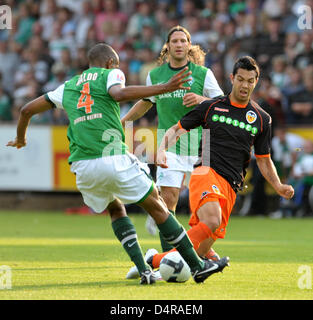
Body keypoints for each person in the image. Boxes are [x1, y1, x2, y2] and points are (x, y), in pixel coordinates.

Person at [7, 43, 229, 285]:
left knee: (115, 207)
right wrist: (165, 87)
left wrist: (20, 138)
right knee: (157, 204)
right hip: (111, 156)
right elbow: (118, 94)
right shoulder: (111, 73)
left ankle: (143, 269)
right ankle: (197, 266)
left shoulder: (68, 86)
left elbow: (27, 110)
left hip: (82, 166)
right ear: (111, 62)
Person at [148, 56, 294, 270]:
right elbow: (177, 129)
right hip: (206, 172)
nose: (245, 85)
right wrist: (161, 150)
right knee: (212, 221)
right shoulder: (211, 106)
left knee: (200, 250)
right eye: (241, 79)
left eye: (250, 81)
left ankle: (154, 260)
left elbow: (264, 160)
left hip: (231, 186)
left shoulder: (262, 119)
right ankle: (171, 262)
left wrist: (279, 186)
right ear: (232, 78)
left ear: (256, 82)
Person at [121, 26, 223, 259]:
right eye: (174, 41)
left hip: (200, 147)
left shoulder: (202, 74)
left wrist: (201, 99)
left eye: (183, 40)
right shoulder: (155, 76)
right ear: (168, 46)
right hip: (170, 147)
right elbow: (146, 102)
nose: (179, 44)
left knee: (203, 206)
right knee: (169, 200)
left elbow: (222, 105)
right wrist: (124, 120)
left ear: (189, 46)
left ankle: (201, 249)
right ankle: (169, 258)